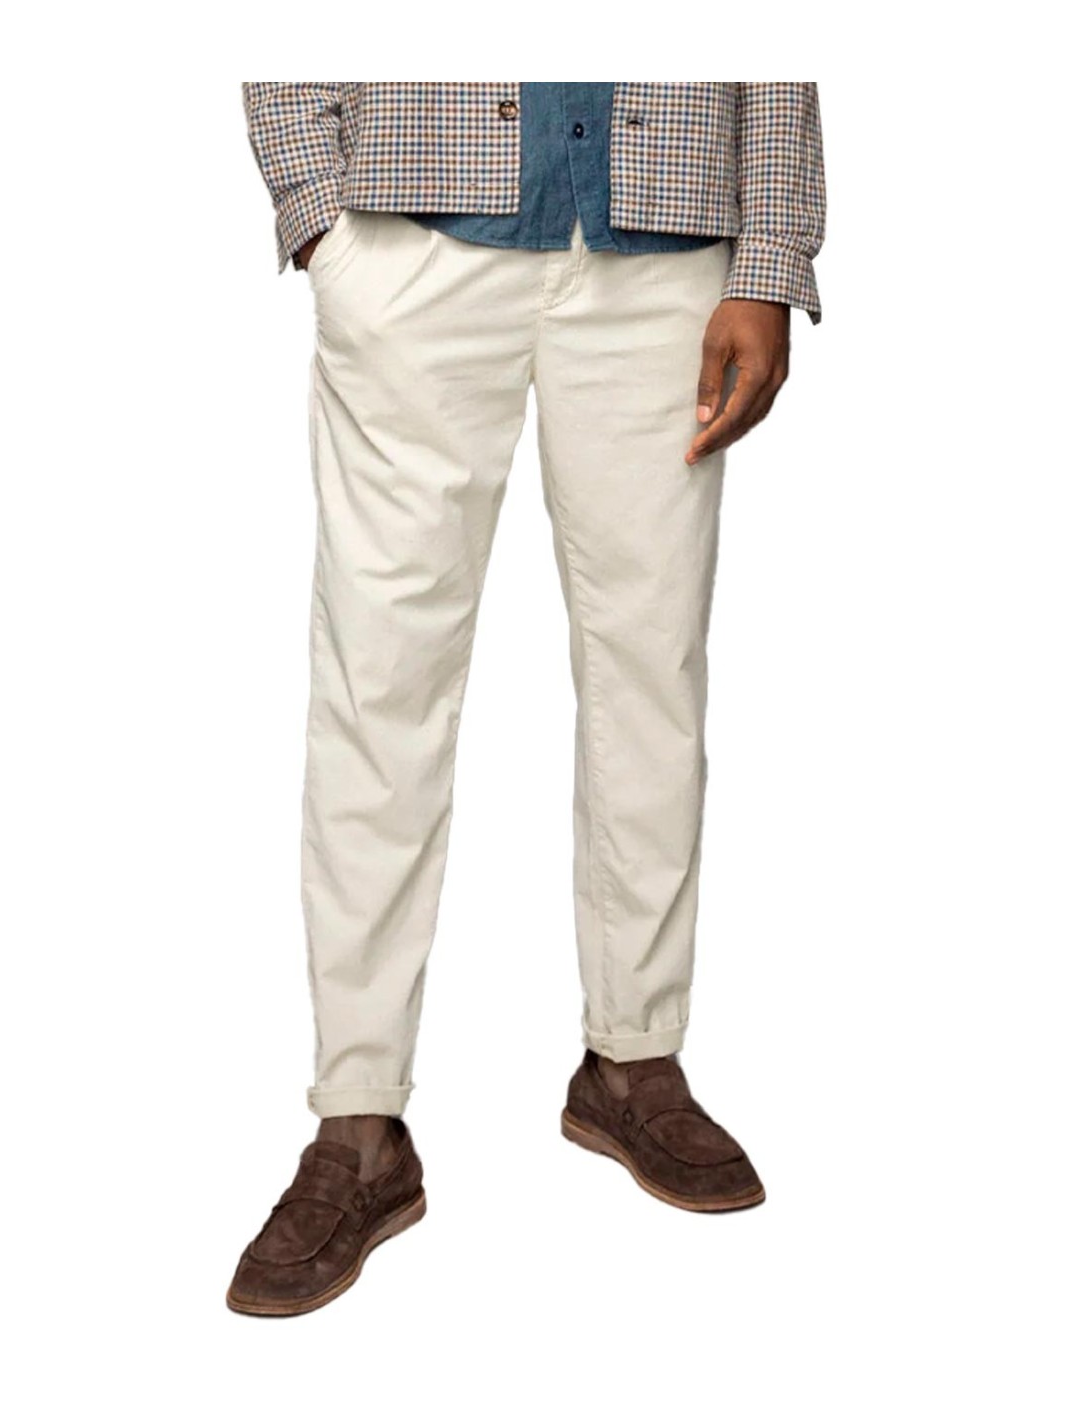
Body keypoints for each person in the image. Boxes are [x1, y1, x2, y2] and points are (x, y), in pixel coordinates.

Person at [228, 82, 826, 1316]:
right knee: (380, 683)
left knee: (650, 672)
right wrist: (317, 213)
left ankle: (633, 1058)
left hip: (664, 248)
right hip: (410, 235)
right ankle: (357, 1120)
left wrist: (768, 258)